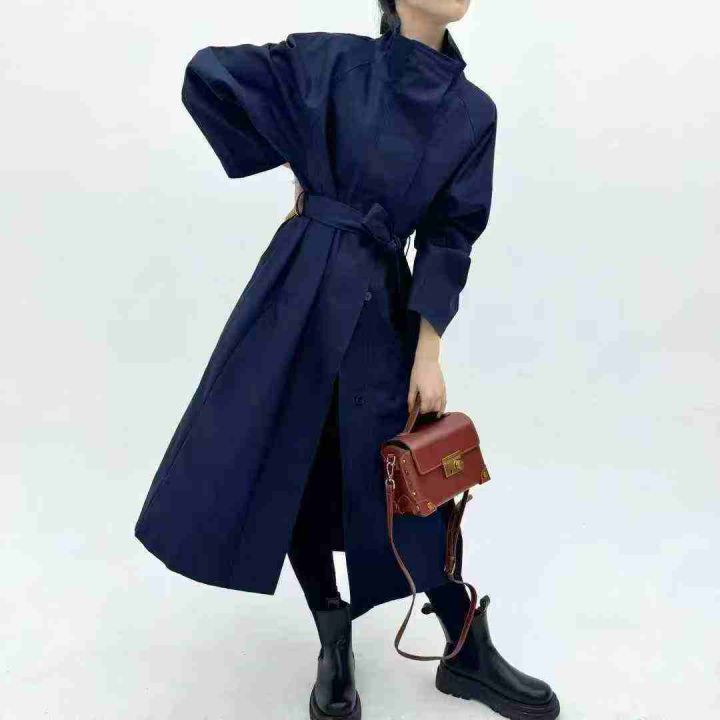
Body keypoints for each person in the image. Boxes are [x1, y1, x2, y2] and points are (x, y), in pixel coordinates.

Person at [134, 2, 560, 719]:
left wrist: (429, 349)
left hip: (381, 301)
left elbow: (451, 237)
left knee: (408, 474)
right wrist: (297, 153)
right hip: (297, 287)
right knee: (294, 462)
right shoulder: (329, 60)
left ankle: (463, 644)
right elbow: (210, 74)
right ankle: (334, 641)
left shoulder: (472, 111)